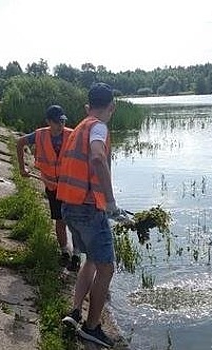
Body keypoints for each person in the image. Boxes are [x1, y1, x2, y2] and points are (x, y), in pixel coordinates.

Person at [57, 83, 128, 348]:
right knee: (106, 268)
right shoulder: (99, 126)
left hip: (70, 206)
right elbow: (98, 159)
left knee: (89, 261)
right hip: (88, 209)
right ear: (112, 106)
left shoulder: (80, 126)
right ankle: (92, 327)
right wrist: (110, 203)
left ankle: (75, 311)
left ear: (89, 105)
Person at [16, 105, 80, 271]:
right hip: (52, 186)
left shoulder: (72, 135)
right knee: (60, 220)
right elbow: (19, 142)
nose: (61, 125)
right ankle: (65, 251)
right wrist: (22, 168)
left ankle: (77, 255)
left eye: (63, 121)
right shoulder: (39, 135)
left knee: (74, 221)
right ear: (48, 122)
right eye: (57, 122)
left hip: (71, 186)